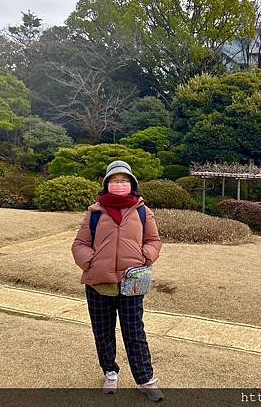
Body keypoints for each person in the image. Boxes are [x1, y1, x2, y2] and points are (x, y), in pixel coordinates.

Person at [71, 160, 163, 401]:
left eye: (124, 180)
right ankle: (110, 371)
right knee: (103, 330)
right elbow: (80, 244)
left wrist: (145, 257)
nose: (119, 184)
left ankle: (145, 379)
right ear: (107, 184)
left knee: (134, 331)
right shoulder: (94, 212)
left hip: (131, 282)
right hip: (98, 283)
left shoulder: (143, 211)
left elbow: (153, 241)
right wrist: (90, 262)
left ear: (132, 184)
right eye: (114, 180)